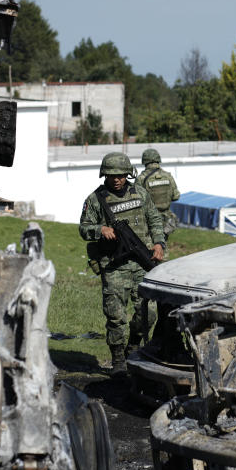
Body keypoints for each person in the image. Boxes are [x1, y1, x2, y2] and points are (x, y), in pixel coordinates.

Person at [79, 152, 165, 377]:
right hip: (114, 266)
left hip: (141, 263)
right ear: (104, 175)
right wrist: (100, 230)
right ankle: (118, 359)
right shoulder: (96, 200)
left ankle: (134, 346)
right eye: (111, 175)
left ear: (128, 174)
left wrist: (159, 244)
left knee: (149, 312)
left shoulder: (141, 193)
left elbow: (155, 219)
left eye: (120, 175)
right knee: (116, 316)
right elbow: (83, 228)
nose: (116, 179)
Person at [137, 148, 181, 241]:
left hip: (149, 220)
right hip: (166, 220)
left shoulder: (141, 178)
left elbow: (136, 200)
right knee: (162, 246)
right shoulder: (168, 176)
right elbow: (176, 196)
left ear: (144, 161)